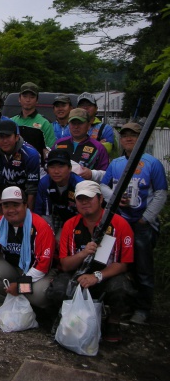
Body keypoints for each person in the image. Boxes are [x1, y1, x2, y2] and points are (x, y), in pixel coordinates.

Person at [101, 122, 168, 325]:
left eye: (134, 135)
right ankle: (119, 305)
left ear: (141, 138)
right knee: (115, 262)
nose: (128, 139)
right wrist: (115, 197)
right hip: (119, 223)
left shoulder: (152, 163)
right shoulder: (116, 163)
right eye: (125, 136)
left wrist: (146, 217)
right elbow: (103, 185)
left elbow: (161, 192)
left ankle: (143, 308)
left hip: (142, 224)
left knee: (143, 267)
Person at [58, 180, 134, 343]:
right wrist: (83, 254)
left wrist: (97, 276)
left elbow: (123, 263)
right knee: (56, 290)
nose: (84, 203)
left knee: (122, 289)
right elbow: (65, 265)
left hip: (107, 274)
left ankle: (113, 321)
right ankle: (66, 319)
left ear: (100, 199)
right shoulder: (70, 225)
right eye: (80, 199)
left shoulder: (120, 224)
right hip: (78, 273)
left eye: (89, 198)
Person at [0, 186, 57, 311]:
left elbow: (43, 266)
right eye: (6, 206)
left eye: (16, 205)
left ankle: (31, 310)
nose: (11, 210)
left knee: (39, 294)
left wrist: (19, 286)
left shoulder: (41, 226)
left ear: (25, 206)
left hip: (39, 273)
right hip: (14, 268)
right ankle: (3, 306)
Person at [0, 119, 41, 210]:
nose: (4, 141)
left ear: (16, 137)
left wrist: (28, 214)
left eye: (8, 136)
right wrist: (0, 210)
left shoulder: (31, 154)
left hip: (26, 191)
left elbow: (32, 189)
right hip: (4, 190)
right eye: (1, 137)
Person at [34, 149, 84, 237]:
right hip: (57, 216)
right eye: (52, 167)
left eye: (61, 166)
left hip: (78, 219)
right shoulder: (44, 183)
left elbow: (86, 214)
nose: (56, 171)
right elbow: (43, 213)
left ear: (70, 168)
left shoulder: (79, 184)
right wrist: (50, 236)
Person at [52, 108, 109, 182]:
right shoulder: (58, 144)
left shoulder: (98, 147)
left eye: (80, 123)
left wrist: (92, 174)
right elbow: (48, 166)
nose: (76, 127)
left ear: (88, 126)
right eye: (73, 123)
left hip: (85, 189)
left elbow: (107, 175)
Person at [11, 82, 55, 165]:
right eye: (25, 96)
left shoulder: (45, 123)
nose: (28, 100)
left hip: (36, 170)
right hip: (14, 168)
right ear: (19, 99)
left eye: (32, 97)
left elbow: (51, 150)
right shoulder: (11, 121)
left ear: (37, 100)